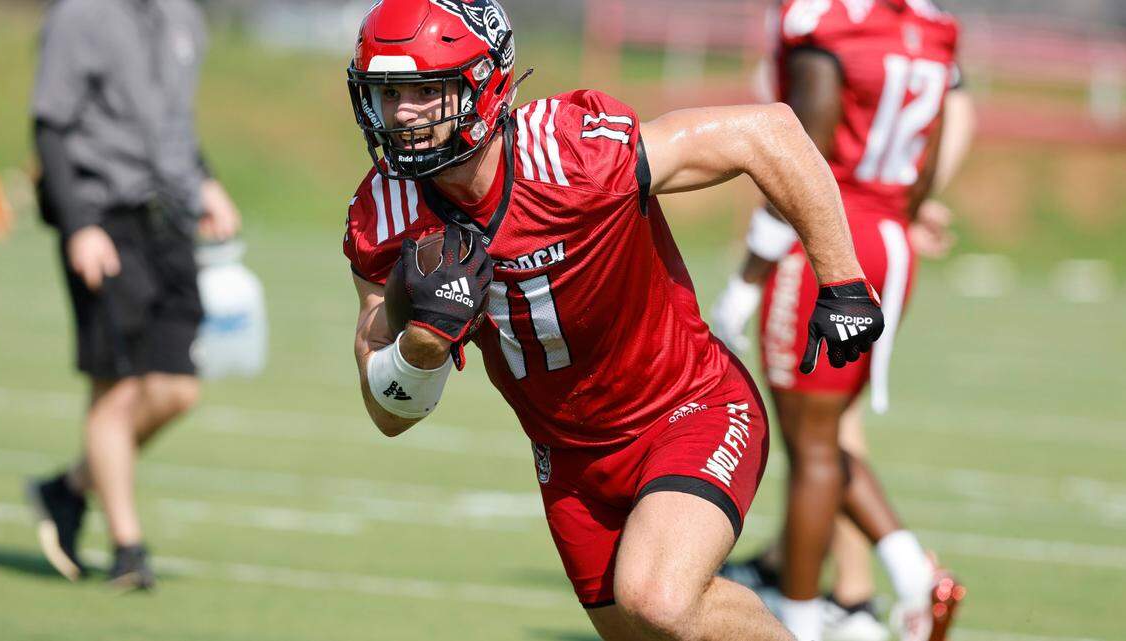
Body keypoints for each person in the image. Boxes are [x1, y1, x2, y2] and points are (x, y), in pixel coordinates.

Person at [344, 1, 885, 639]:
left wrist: (843, 278)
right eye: (388, 93)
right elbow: (386, 411)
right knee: (646, 629)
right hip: (569, 461)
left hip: (687, 409)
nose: (402, 112)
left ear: (484, 84)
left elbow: (766, 130)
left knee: (658, 599)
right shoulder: (384, 210)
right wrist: (422, 348)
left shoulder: (575, 153)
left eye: (425, 91)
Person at [709, 1, 971, 640]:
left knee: (812, 443)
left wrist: (748, 277)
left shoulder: (825, 25)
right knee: (825, 435)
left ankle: (807, 618)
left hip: (831, 242)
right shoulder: (928, 27)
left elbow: (803, 153)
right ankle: (896, 583)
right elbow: (929, 153)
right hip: (891, 237)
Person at [26, 0, 240, 590]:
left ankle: (67, 490)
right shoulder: (79, 15)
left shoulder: (181, 17)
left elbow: (175, 124)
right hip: (105, 219)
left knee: (176, 390)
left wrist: (207, 181)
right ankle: (129, 549)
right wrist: (79, 226)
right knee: (116, 388)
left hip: (169, 221)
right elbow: (50, 126)